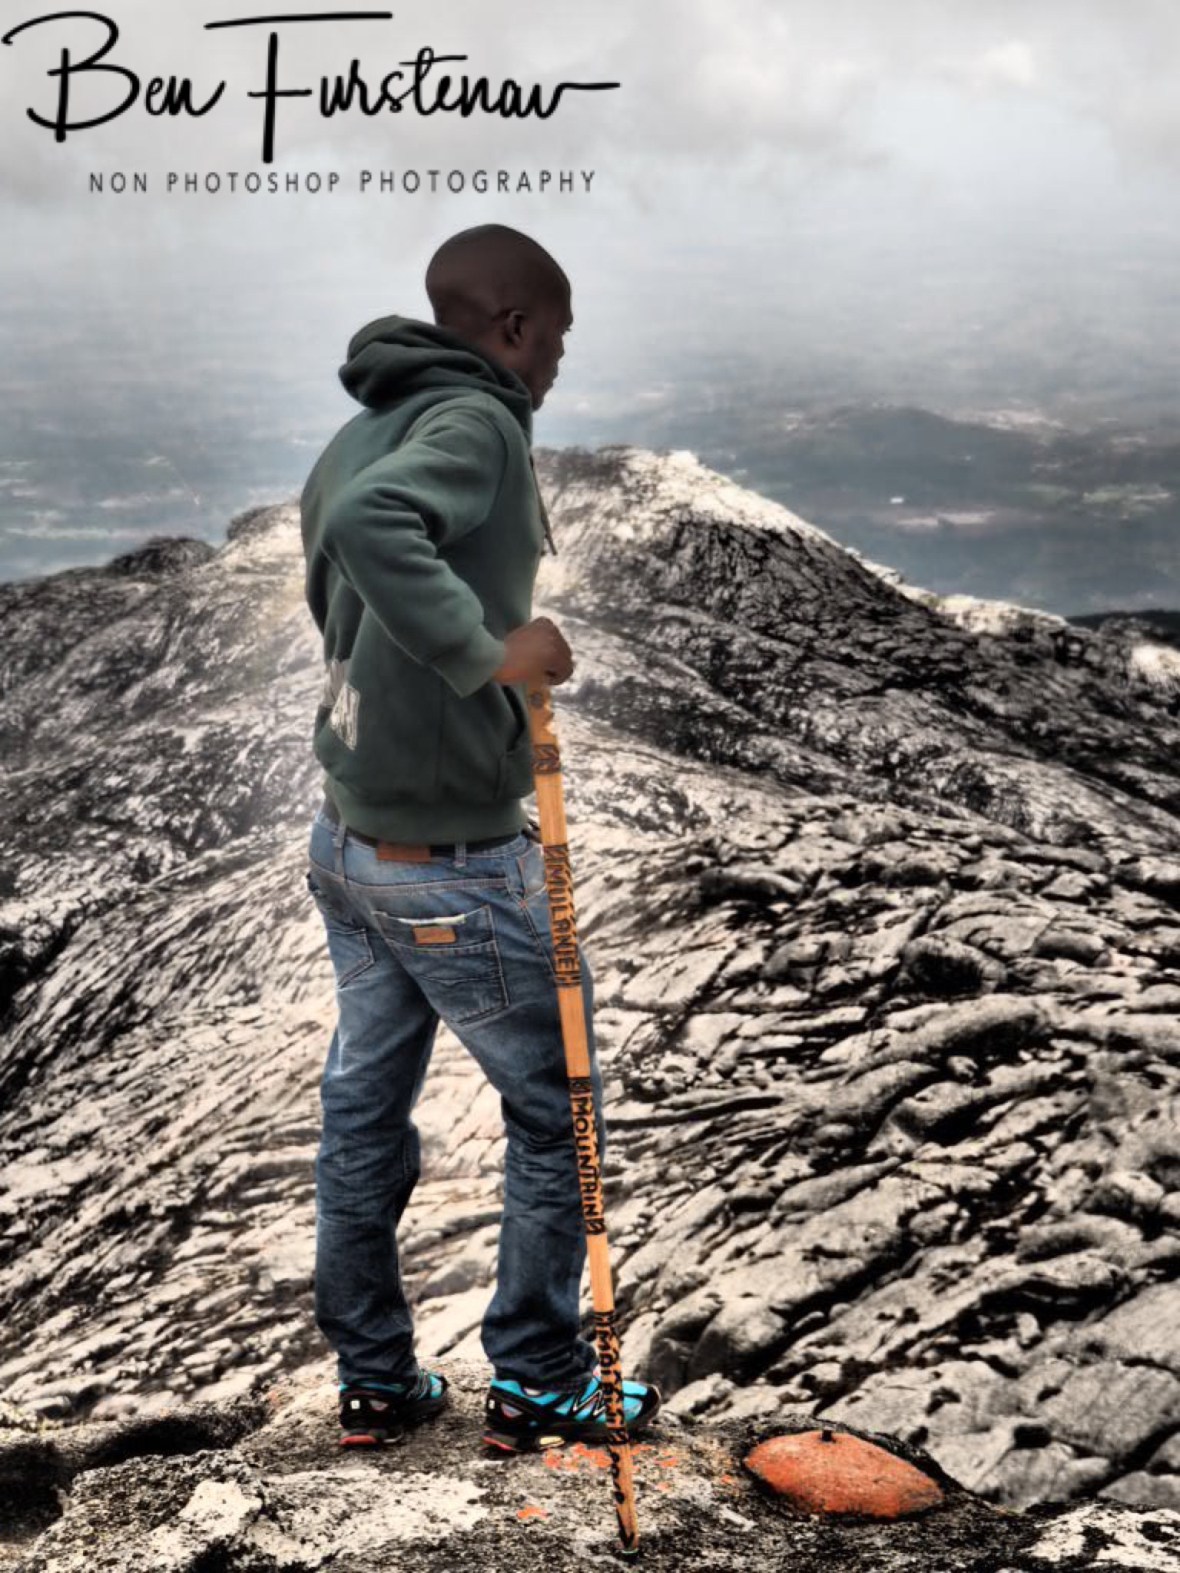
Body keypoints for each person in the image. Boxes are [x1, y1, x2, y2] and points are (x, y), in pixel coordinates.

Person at [299, 223, 660, 1451]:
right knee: (559, 1108)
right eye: (553, 335)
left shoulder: (367, 422)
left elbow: (336, 567)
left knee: (364, 1106)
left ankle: (377, 1379)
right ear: (514, 327)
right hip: (452, 861)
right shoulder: (478, 424)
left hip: (349, 845)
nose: (557, 359)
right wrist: (489, 654)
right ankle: (543, 1375)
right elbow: (370, 531)